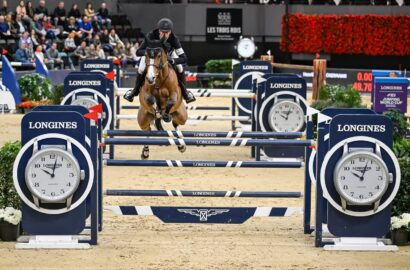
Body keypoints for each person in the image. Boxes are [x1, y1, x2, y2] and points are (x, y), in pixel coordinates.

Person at [124, 18, 195, 103]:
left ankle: (185, 93)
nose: (165, 35)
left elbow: (184, 58)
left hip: (169, 56)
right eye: (162, 32)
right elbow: (138, 52)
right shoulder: (151, 35)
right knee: (141, 68)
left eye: (167, 33)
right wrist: (150, 52)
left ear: (170, 32)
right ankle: (134, 92)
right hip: (151, 57)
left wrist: (172, 60)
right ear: (159, 31)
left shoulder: (174, 39)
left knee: (180, 68)